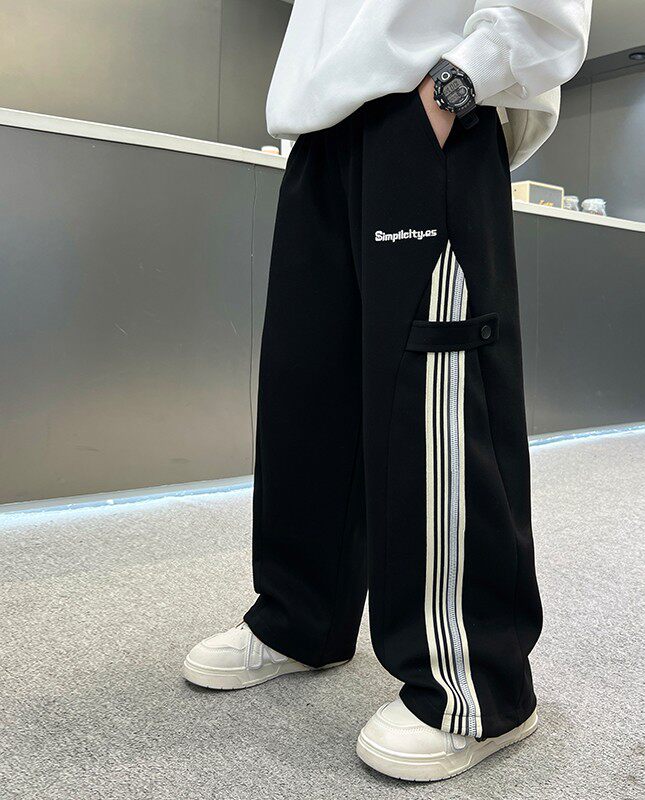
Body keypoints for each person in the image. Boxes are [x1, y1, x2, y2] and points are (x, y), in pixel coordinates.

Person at [183, 0, 591, 781]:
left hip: (426, 112)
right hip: (321, 136)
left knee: (432, 397)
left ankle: (476, 685)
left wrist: (455, 87)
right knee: (309, 392)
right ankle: (301, 617)